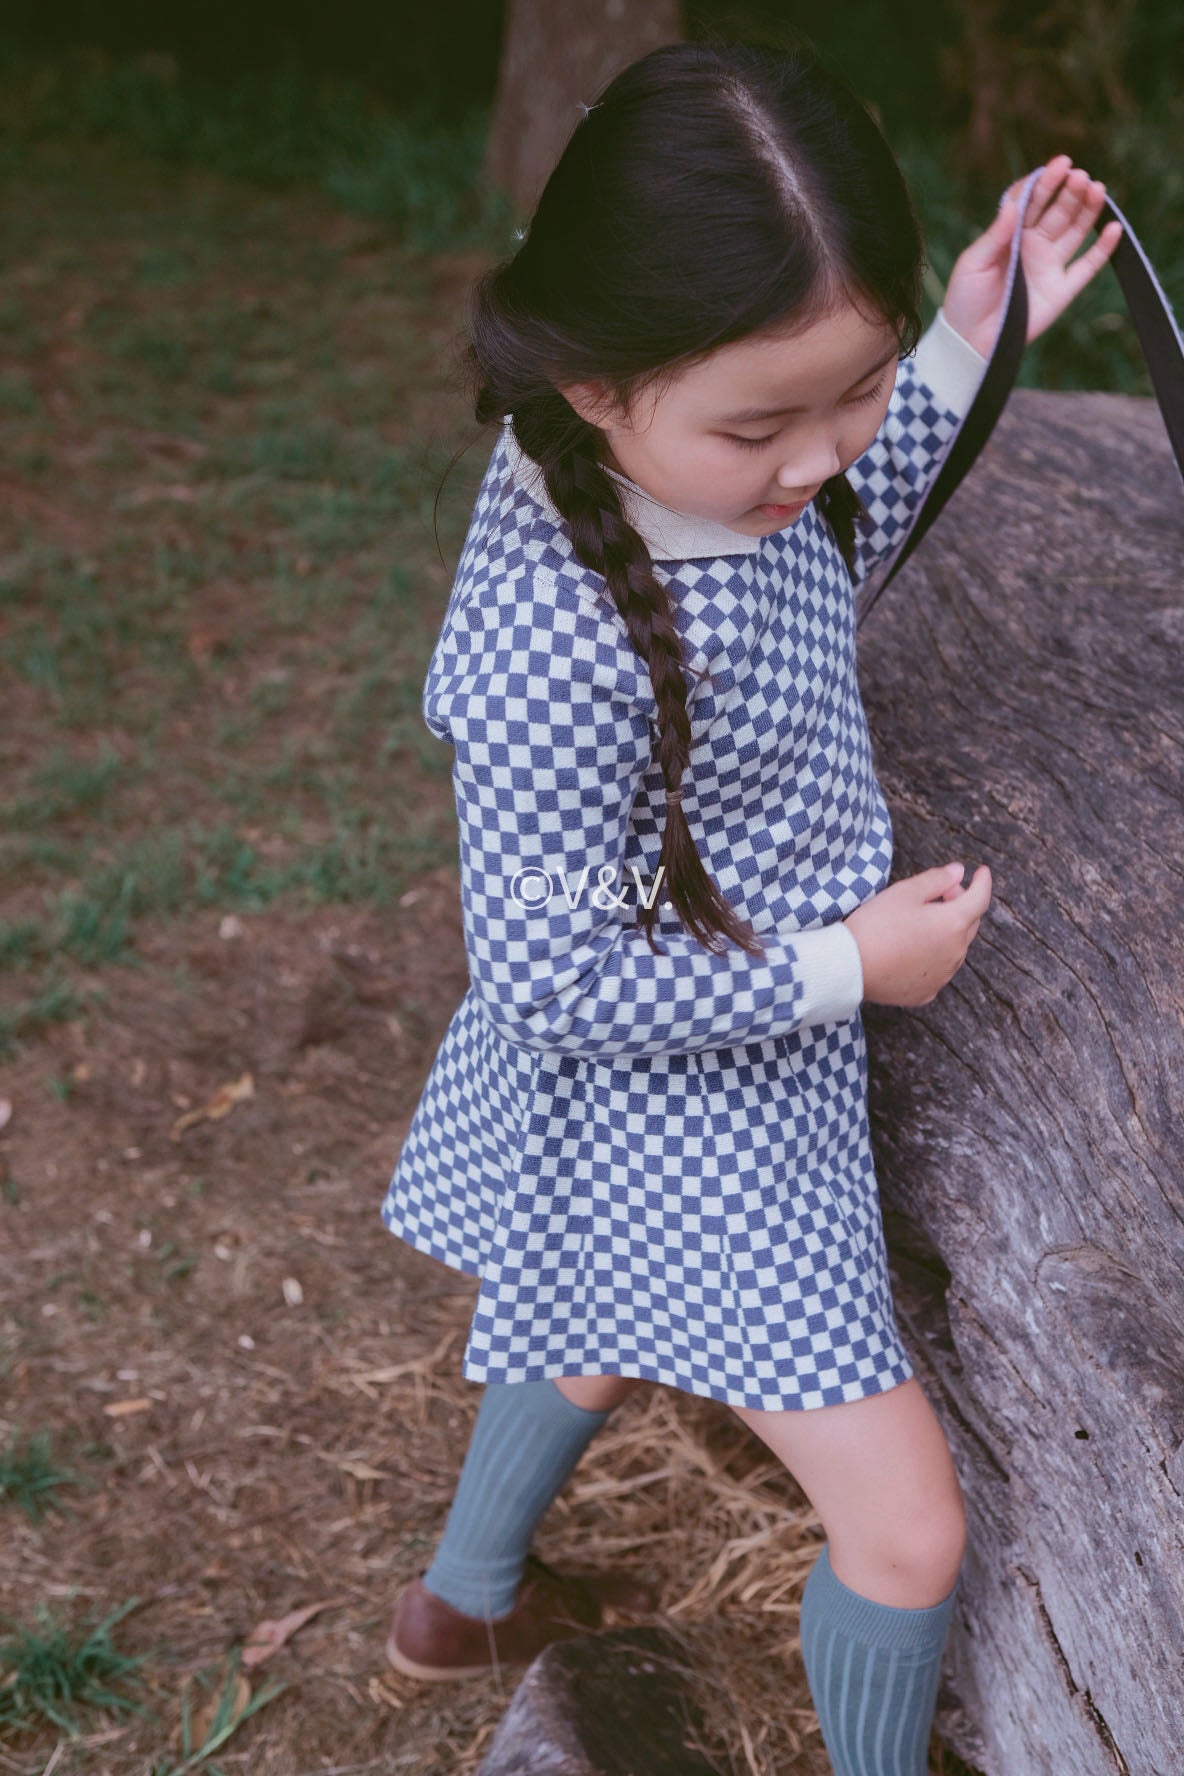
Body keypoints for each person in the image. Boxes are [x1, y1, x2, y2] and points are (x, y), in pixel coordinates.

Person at [379, 37, 1121, 1772]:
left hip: (678, 1093)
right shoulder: (559, 651)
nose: (815, 457)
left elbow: (835, 521)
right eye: (760, 423)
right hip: (697, 1115)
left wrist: (961, 331)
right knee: (910, 1533)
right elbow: (555, 977)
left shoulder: (690, 477)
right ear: (588, 384)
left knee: (583, 1317)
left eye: (849, 389)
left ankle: (464, 1598)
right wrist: (848, 962)